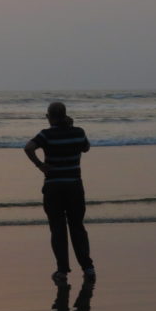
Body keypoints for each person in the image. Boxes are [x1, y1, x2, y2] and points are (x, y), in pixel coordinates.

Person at [24, 102, 95, 283]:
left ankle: (62, 270)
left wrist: (40, 165)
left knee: (57, 229)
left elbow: (28, 147)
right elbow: (86, 148)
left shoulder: (46, 135)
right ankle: (88, 267)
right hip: (74, 185)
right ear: (65, 115)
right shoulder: (78, 132)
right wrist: (70, 127)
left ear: (50, 116)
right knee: (77, 227)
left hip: (53, 187)